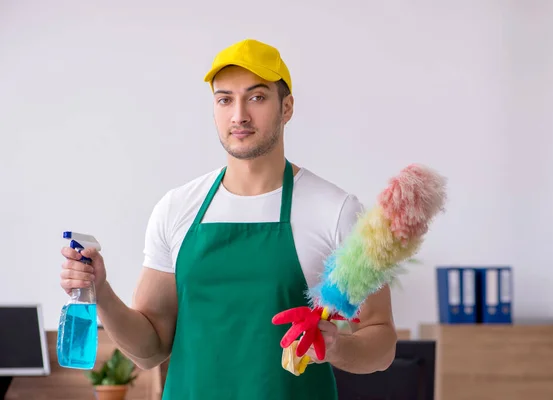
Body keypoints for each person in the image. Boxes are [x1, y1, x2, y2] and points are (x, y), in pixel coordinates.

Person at [60, 38, 397, 400]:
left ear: (287, 108)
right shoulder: (177, 209)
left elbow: (381, 341)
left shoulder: (336, 211)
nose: (239, 115)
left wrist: (335, 348)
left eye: (256, 97)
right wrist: (102, 291)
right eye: (225, 99)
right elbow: (150, 349)